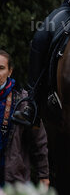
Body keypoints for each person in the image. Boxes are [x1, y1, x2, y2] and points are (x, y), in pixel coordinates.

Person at [1, 50, 49, 185]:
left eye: (1, 68)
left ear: (10, 71)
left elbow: (39, 140)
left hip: (13, 181)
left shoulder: (23, 101)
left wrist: (44, 175)